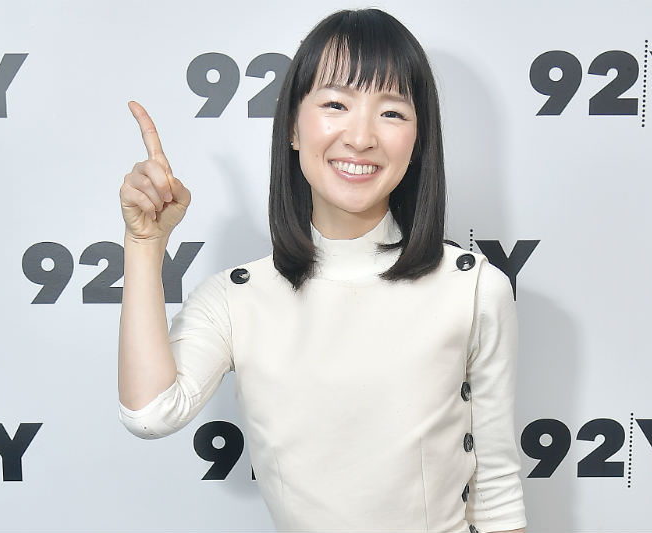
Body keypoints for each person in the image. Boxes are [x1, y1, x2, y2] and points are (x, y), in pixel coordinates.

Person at [118, 8, 526, 533]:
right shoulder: (236, 298)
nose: (360, 137)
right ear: (292, 125)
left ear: (419, 139)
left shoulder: (473, 287)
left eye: (392, 113)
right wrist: (145, 244)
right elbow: (151, 413)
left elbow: (496, 496)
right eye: (335, 104)